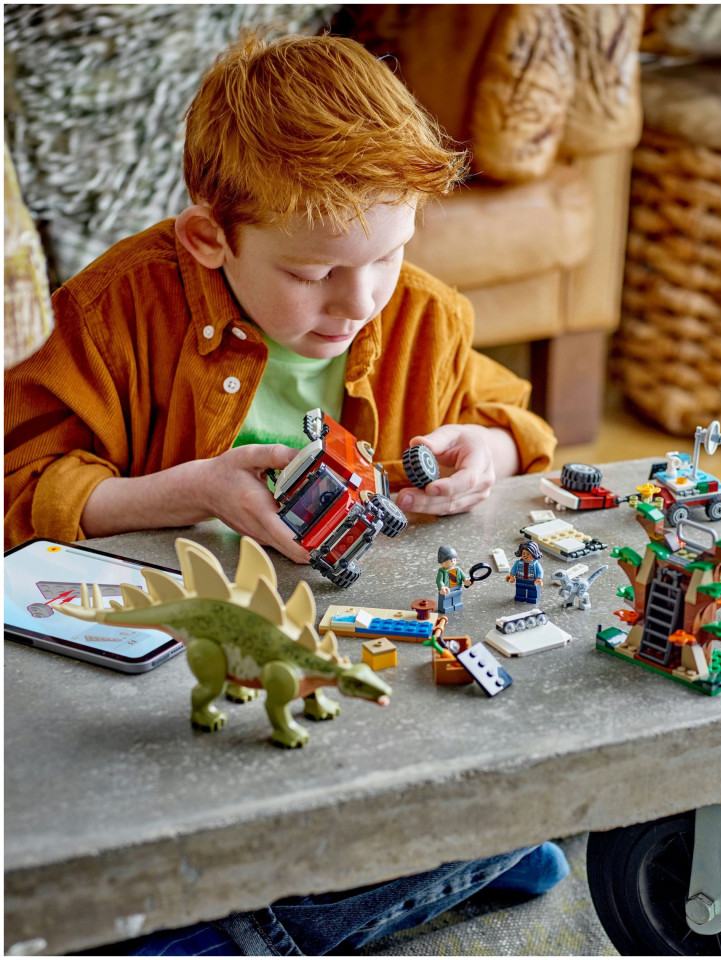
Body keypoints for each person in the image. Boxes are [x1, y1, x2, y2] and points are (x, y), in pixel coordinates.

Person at [4, 29, 566, 956]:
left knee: (477, 777)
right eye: (313, 275)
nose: (361, 301)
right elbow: (18, 486)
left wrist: (492, 449)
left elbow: (511, 422)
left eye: (390, 255)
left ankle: (466, 855)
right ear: (208, 238)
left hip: (361, 681)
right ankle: (475, 861)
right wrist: (187, 491)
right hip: (169, 679)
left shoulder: (423, 315)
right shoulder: (111, 312)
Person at [506, 540, 545, 604]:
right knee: (520, 589)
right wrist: (512, 576)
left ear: (533, 554)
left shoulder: (536, 564)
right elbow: (513, 570)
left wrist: (539, 578)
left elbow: (540, 572)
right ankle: (520, 597)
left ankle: (532, 598)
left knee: (532, 590)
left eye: (528, 554)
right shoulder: (518, 563)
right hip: (520, 579)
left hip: (532, 581)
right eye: (523, 553)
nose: (525, 556)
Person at [435, 545, 472, 613]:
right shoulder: (441, 572)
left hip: (457, 587)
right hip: (447, 589)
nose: (453, 562)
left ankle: (457, 604)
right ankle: (446, 607)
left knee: (457, 596)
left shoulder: (457, 569)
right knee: (446, 599)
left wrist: (466, 581)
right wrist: (442, 587)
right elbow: (439, 581)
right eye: (451, 560)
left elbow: (463, 577)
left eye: (454, 560)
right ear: (442, 562)